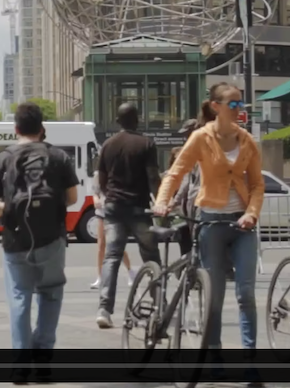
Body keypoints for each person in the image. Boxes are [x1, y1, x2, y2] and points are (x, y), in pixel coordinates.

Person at [154, 82, 265, 365]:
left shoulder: (247, 140)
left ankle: (251, 362)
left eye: (242, 104)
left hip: (242, 225)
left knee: (246, 294)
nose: (240, 109)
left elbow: (257, 184)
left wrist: (251, 212)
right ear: (216, 106)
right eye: (233, 104)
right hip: (211, 223)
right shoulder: (201, 138)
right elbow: (176, 173)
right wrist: (162, 200)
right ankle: (214, 354)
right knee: (214, 295)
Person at [0, 103, 78, 383]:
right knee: (50, 294)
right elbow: (71, 198)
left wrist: (6, 211)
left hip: (15, 239)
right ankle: (43, 359)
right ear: (41, 127)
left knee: (19, 297)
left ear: (16, 129)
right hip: (52, 239)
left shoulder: (3, 158)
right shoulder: (58, 156)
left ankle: (21, 364)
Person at [95, 103, 161, 329]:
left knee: (111, 257)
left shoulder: (108, 145)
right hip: (138, 208)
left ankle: (104, 309)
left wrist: (109, 196)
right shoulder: (146, 144)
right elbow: (153, 177)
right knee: (151, 256)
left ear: (117, 120)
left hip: (114, 207)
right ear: (138, 119)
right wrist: (161, 201)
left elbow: (102, 180)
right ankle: (158, 303)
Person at [89, 162, 135, 290]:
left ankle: (131, 271)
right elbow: (94, 192)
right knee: (101, 245)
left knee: (114, 244)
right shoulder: (97, 175)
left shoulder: (118, 173)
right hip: (101, 212)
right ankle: (100, 277)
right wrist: (96, 200)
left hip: (114, 211)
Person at [162, 119, 203, 257]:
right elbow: (185, 180)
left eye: (188, 133)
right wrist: (173, 202)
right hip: (189, 205)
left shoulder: (203, 148)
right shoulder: (191, 151)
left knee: (200, 240)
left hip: (201, 202)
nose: (186, 137)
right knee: (192, 240)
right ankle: (190, 270)